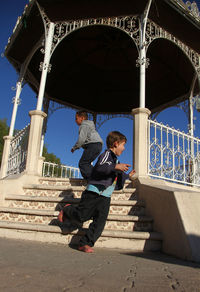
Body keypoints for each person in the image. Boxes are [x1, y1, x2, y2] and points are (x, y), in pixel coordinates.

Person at [59, 131, 135, 253]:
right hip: (93, 193)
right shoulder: (106, 155)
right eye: (123, 145)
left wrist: (127, 176)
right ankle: (67, 210)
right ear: (116, 144)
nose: (124, 148)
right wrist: (116, 167)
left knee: (99, 223)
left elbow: (116, 178)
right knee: (82, 216)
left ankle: (85, 243)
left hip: (105, 197)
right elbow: (100, 167)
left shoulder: (116, 162)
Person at [71, 110, 103, 180]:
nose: (75, 121)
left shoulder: (84, 125)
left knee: (83, 163)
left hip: (93, 145)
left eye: (76, 118)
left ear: (82, 118)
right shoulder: (89, 125)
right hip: (98, 145)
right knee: (87, 163)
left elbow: (81, 139)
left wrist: (74, 147)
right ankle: (97, 176)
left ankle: (93, 180)